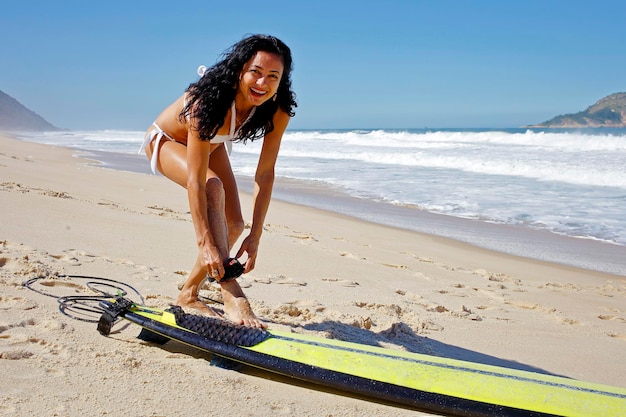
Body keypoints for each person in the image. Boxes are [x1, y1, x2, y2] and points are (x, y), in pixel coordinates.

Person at [139, 35, 297, 328]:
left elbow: (265, 174)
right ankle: (231, 292)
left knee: (234, 225)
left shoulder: (277, 110)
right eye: (256, 72)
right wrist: (204, 242)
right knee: (214, 187)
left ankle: (188, 294)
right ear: (240, 70)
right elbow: (197, 182)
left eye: (273, 76)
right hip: (168, 141)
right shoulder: (207, 104)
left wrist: (255, 236)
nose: (263, 83)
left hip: (212, 144)